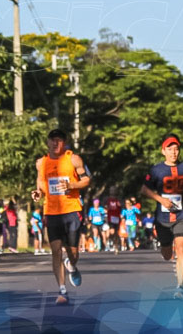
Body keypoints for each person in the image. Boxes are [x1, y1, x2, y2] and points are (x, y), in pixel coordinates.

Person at [32, 129, 91, 305]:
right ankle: (62, 290)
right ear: (48, 142)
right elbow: (41, 184)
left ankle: (71, 265)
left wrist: (72, 184)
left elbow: (86, 180)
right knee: (55, 251)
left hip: (72, 210)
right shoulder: (41, 163)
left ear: (64, 143)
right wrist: (37, 193)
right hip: (51, 212)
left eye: (59, 141)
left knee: (73, 252)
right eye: (53, 140)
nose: (55, 144)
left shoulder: (73, 159)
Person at [141, 134, 183, 300]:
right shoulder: (156, 170)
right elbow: (144, 190)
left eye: (176, 148)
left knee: (181, 248)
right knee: (167, 253)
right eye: (170, 149)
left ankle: (179, 287)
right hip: (163, 219)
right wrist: (161, 199)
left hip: (182, 215)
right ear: (163, 151)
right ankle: (164, 244)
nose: (173, 152)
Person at [105, 188, 122, 253]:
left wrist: (120, 205)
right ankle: (113, 242)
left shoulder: (118, 199)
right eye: (111, 190)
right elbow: (105, 207)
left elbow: (121, 207)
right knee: (112, 232)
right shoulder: (107, 199)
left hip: (117, 217)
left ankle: (116, 245)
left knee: (116, 232)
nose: (112, 192)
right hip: (110, 218)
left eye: (113, 190)